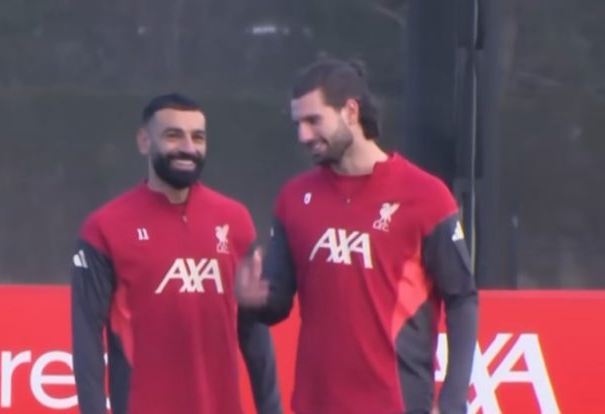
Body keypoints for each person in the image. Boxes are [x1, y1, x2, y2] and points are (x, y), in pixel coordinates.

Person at [236, 59, 478, 414]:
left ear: (351, 111)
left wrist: (453, 401)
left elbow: (462, 299)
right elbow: (278, 302)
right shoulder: (294, 198)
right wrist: (255, 301)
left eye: (314, 121)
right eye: (297, 124)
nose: (303, 135)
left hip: (398, 404)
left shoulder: (426, 196)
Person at [71, 93, 281, 414]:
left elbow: (254, 334)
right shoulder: (104, 228)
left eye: (198, 137)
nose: (188, 147)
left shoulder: (235, 221)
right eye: (173, 135)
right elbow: (87, 342)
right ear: (144, 141)